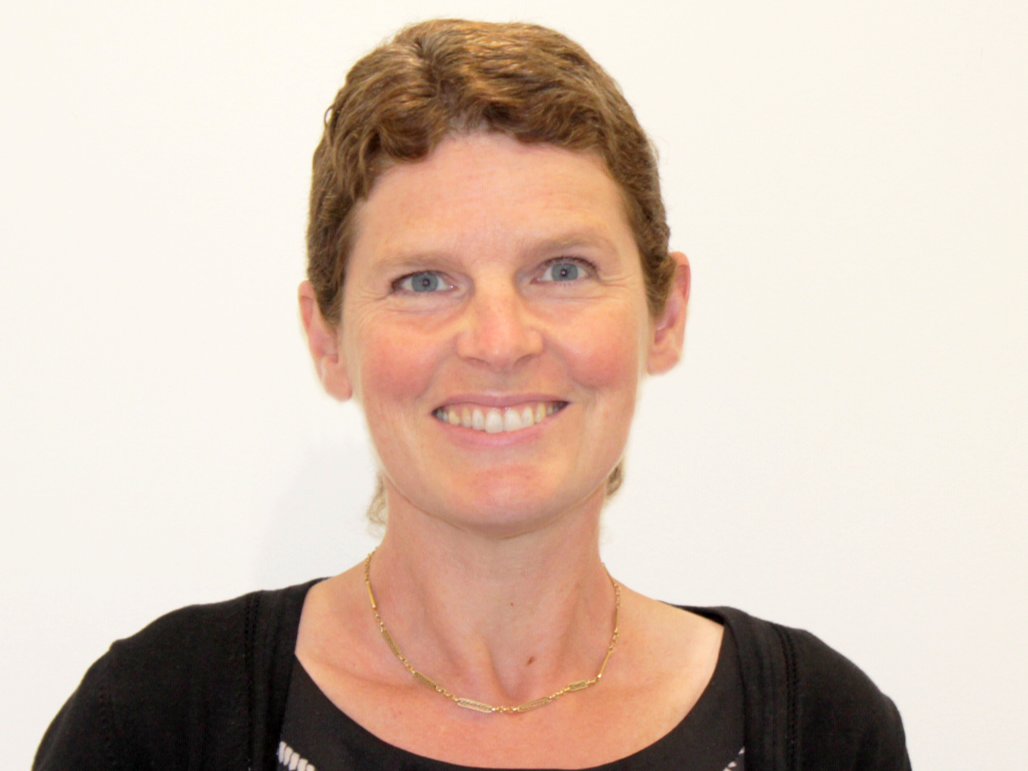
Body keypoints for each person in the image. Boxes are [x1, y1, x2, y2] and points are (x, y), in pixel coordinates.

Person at [34, 19, 910, 771]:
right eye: (423, 281)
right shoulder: (156, 723)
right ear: (327, 337)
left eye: (562, 269)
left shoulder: (821, 732)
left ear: (666, 314)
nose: (499, 341)